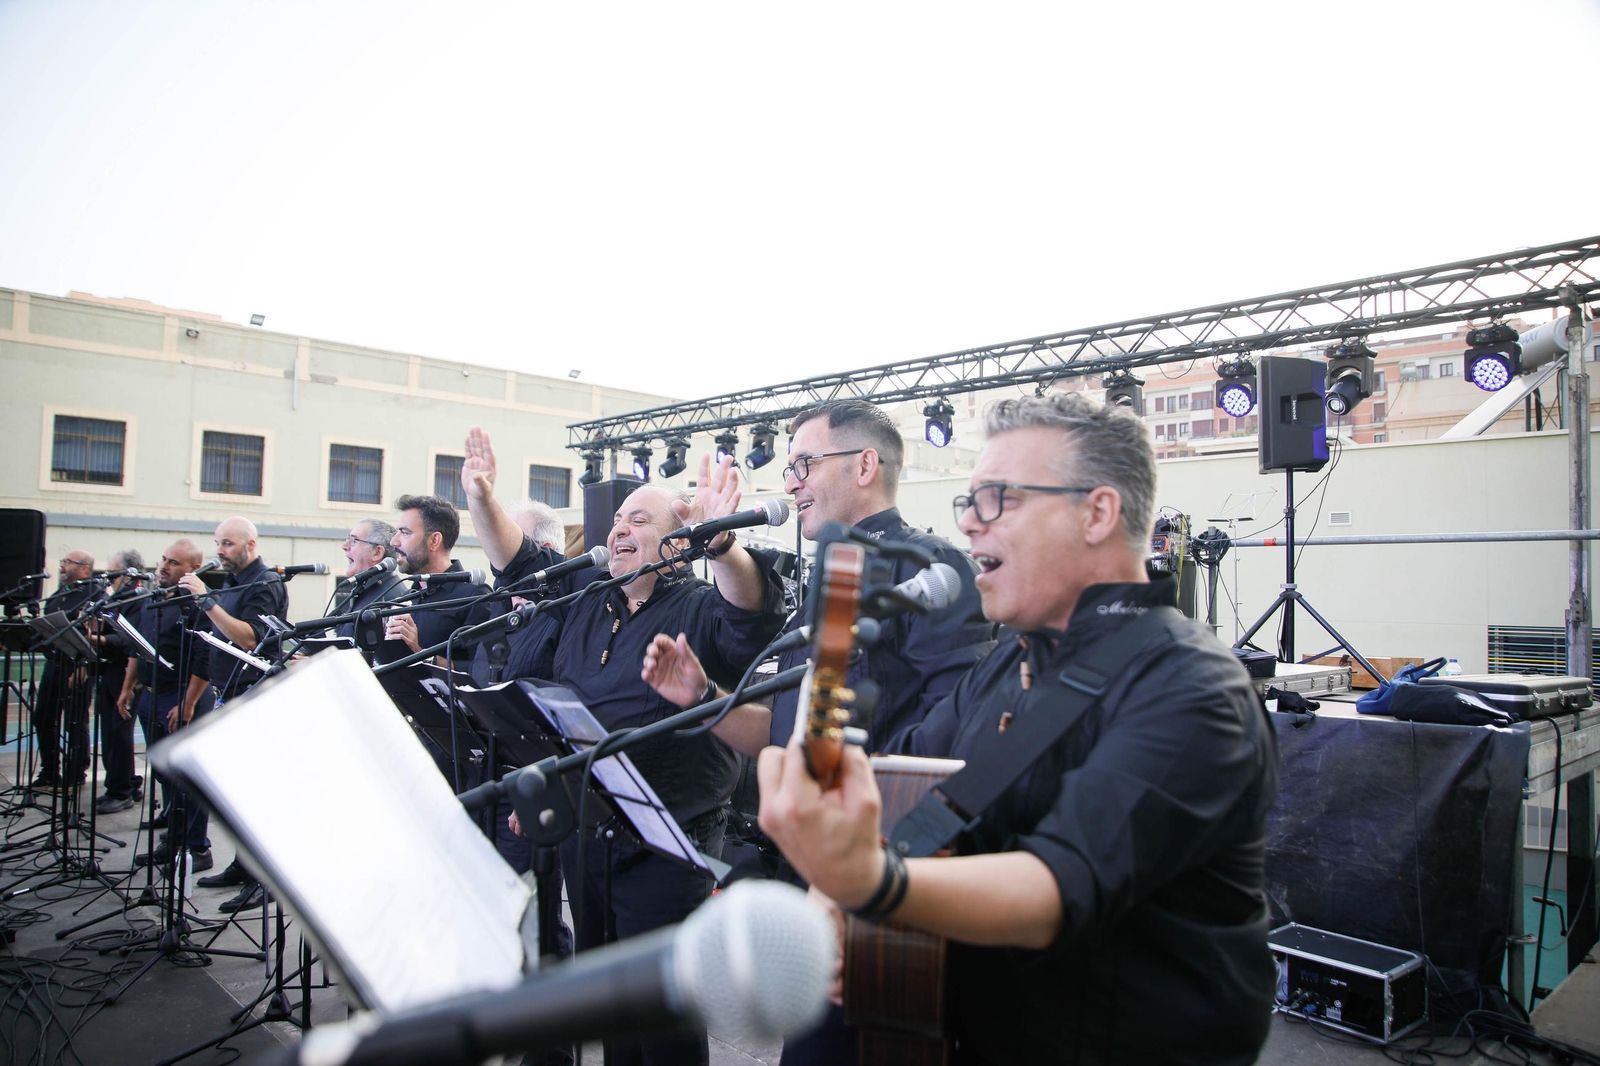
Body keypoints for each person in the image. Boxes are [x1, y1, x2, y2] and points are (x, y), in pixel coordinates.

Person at [757, 393, 1279, 1065]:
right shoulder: (1008, 662)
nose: (970, 525)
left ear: (1097, 512)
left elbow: (1055, 885)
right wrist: (833, 890)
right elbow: (901, 780)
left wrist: (869, 883)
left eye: (998, 499)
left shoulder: (1193, 688)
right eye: (968, 502)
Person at [464, 425, 784, 1066]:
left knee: (663, 1015)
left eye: (638, 520)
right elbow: (518, 558)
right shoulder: (588, 598)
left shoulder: (699, 602)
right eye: (615, 522)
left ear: (678, 538)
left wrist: (723, 549)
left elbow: (751, 613)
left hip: (672, 838)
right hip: (591, 827)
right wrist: (480, 495)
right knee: (608, 1002)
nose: (617, 531)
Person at [643, 398, 991, 760]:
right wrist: (702, 695)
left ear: (865, 466)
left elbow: (958, 730)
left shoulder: (932, 568)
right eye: (790, 470)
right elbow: (783, 739)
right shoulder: (830, 583)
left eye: (804, 465)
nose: (792, 485)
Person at [182, 517, 289, 911]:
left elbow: (250, 638)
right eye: (218, 543)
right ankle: (242, 866)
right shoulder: (232, 581)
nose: (221, 551)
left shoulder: (265, 583)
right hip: (228, 692)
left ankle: (263, 877)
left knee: (260, 794)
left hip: (256, 693)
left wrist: (206, 601)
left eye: (228, 543)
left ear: (250, 543)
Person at [124, 540, 215, 871]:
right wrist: (127, 688)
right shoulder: (154, 602)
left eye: (173, 563)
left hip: (181, 697)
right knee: (165, 775)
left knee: (188, 779)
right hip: (150, 694)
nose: (163, 566)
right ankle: (173, 840)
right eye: (163, 559)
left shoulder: (195, 605)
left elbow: (205, 656)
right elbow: (138, 648)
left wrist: (188, 702)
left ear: (191, 570)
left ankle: (196, 849)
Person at [381, 494, 489, 666]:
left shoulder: (474, 597)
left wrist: (419, 652)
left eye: (404, 533)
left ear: (434, 541)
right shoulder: (408, 596)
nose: (394, 542)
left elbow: (481, 671)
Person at [30, 549, 96, 790]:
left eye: (68, 563)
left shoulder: (91, 595)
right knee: (43, 718)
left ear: (85, 569)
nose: (62, 566)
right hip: (54, 664)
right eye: (64, 562)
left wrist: (85, 668)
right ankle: (50, 770)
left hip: (76, 666)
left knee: (75, 722)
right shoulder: (60, 593)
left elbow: (91, 634)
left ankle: (76, 770)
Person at [90, 548, 145, 814]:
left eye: (113, 573)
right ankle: (124, 784)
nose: (109, 578)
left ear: (128, 573)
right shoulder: (117, 599)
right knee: (110, 734)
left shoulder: (139, 599)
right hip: (110, 670)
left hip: (127, 673)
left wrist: (99, 638)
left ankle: (120, 791)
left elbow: (130, 640)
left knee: (119, 734)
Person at [328, 518, 406, 653]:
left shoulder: (391, 599)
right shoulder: (363, 590)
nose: (345, 546)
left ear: (377, 552)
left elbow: (378, 662)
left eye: (354, 541)